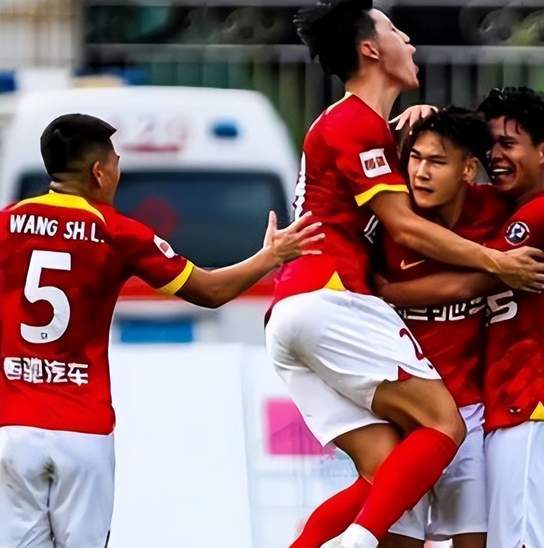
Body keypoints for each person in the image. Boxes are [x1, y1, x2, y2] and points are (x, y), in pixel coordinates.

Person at [266, 2, 544, 546]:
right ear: (370, 50)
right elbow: (404, 223)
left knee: (384, 471)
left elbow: (441, 157)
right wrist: (497, 262)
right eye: (395, 31)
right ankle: (358, 541)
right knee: (444, 425)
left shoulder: (364, 128)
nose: (410, 40)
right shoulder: (354, 122)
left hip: (295, 310)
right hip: (332, 298)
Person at [0, 113, 323, 548]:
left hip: (13, 428)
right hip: (82, 429)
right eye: (115, 163)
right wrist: (271, 256)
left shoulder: (6, 223)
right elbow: (210, 291)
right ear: (99, 172)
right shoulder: (118, 232)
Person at [383, 87, 544, 548]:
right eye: (490, 145)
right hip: (504, 410)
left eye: (508, 144)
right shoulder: (519, 205)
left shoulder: (536, 216)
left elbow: (471, 284)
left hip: (533, 409)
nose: (495, 155)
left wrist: (384, 292)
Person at [375, 107, 518, 548]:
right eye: (415, 158)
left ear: (468, 170)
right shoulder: (391, 217)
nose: (420, 172)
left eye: (436, 162)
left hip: (468, 414)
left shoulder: (495, 210)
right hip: (403, 416)